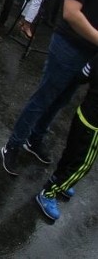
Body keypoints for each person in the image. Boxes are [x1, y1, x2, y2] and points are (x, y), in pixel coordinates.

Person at [0, 0, 98, 176]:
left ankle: (35, 137)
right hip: (68, 45)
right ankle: (13, 144)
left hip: (84, 50)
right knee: (43, 97)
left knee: (60, 100)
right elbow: (71, 13)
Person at [35, 53, 98, 221]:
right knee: (83, 164)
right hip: (94, 124)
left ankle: (59, 178)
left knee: (72, 152)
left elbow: (83, 75)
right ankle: (49, 192)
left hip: (84, 113)